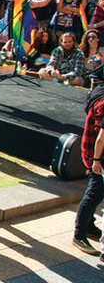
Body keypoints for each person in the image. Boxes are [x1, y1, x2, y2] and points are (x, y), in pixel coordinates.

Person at [74, 84, 104, 255]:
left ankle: (89, 226)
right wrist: (97, 160)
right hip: (97, 156)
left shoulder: (98, 91)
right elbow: (101, 137)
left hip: (93, 152)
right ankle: (79, 235)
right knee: (94, 194)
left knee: (97, 193)